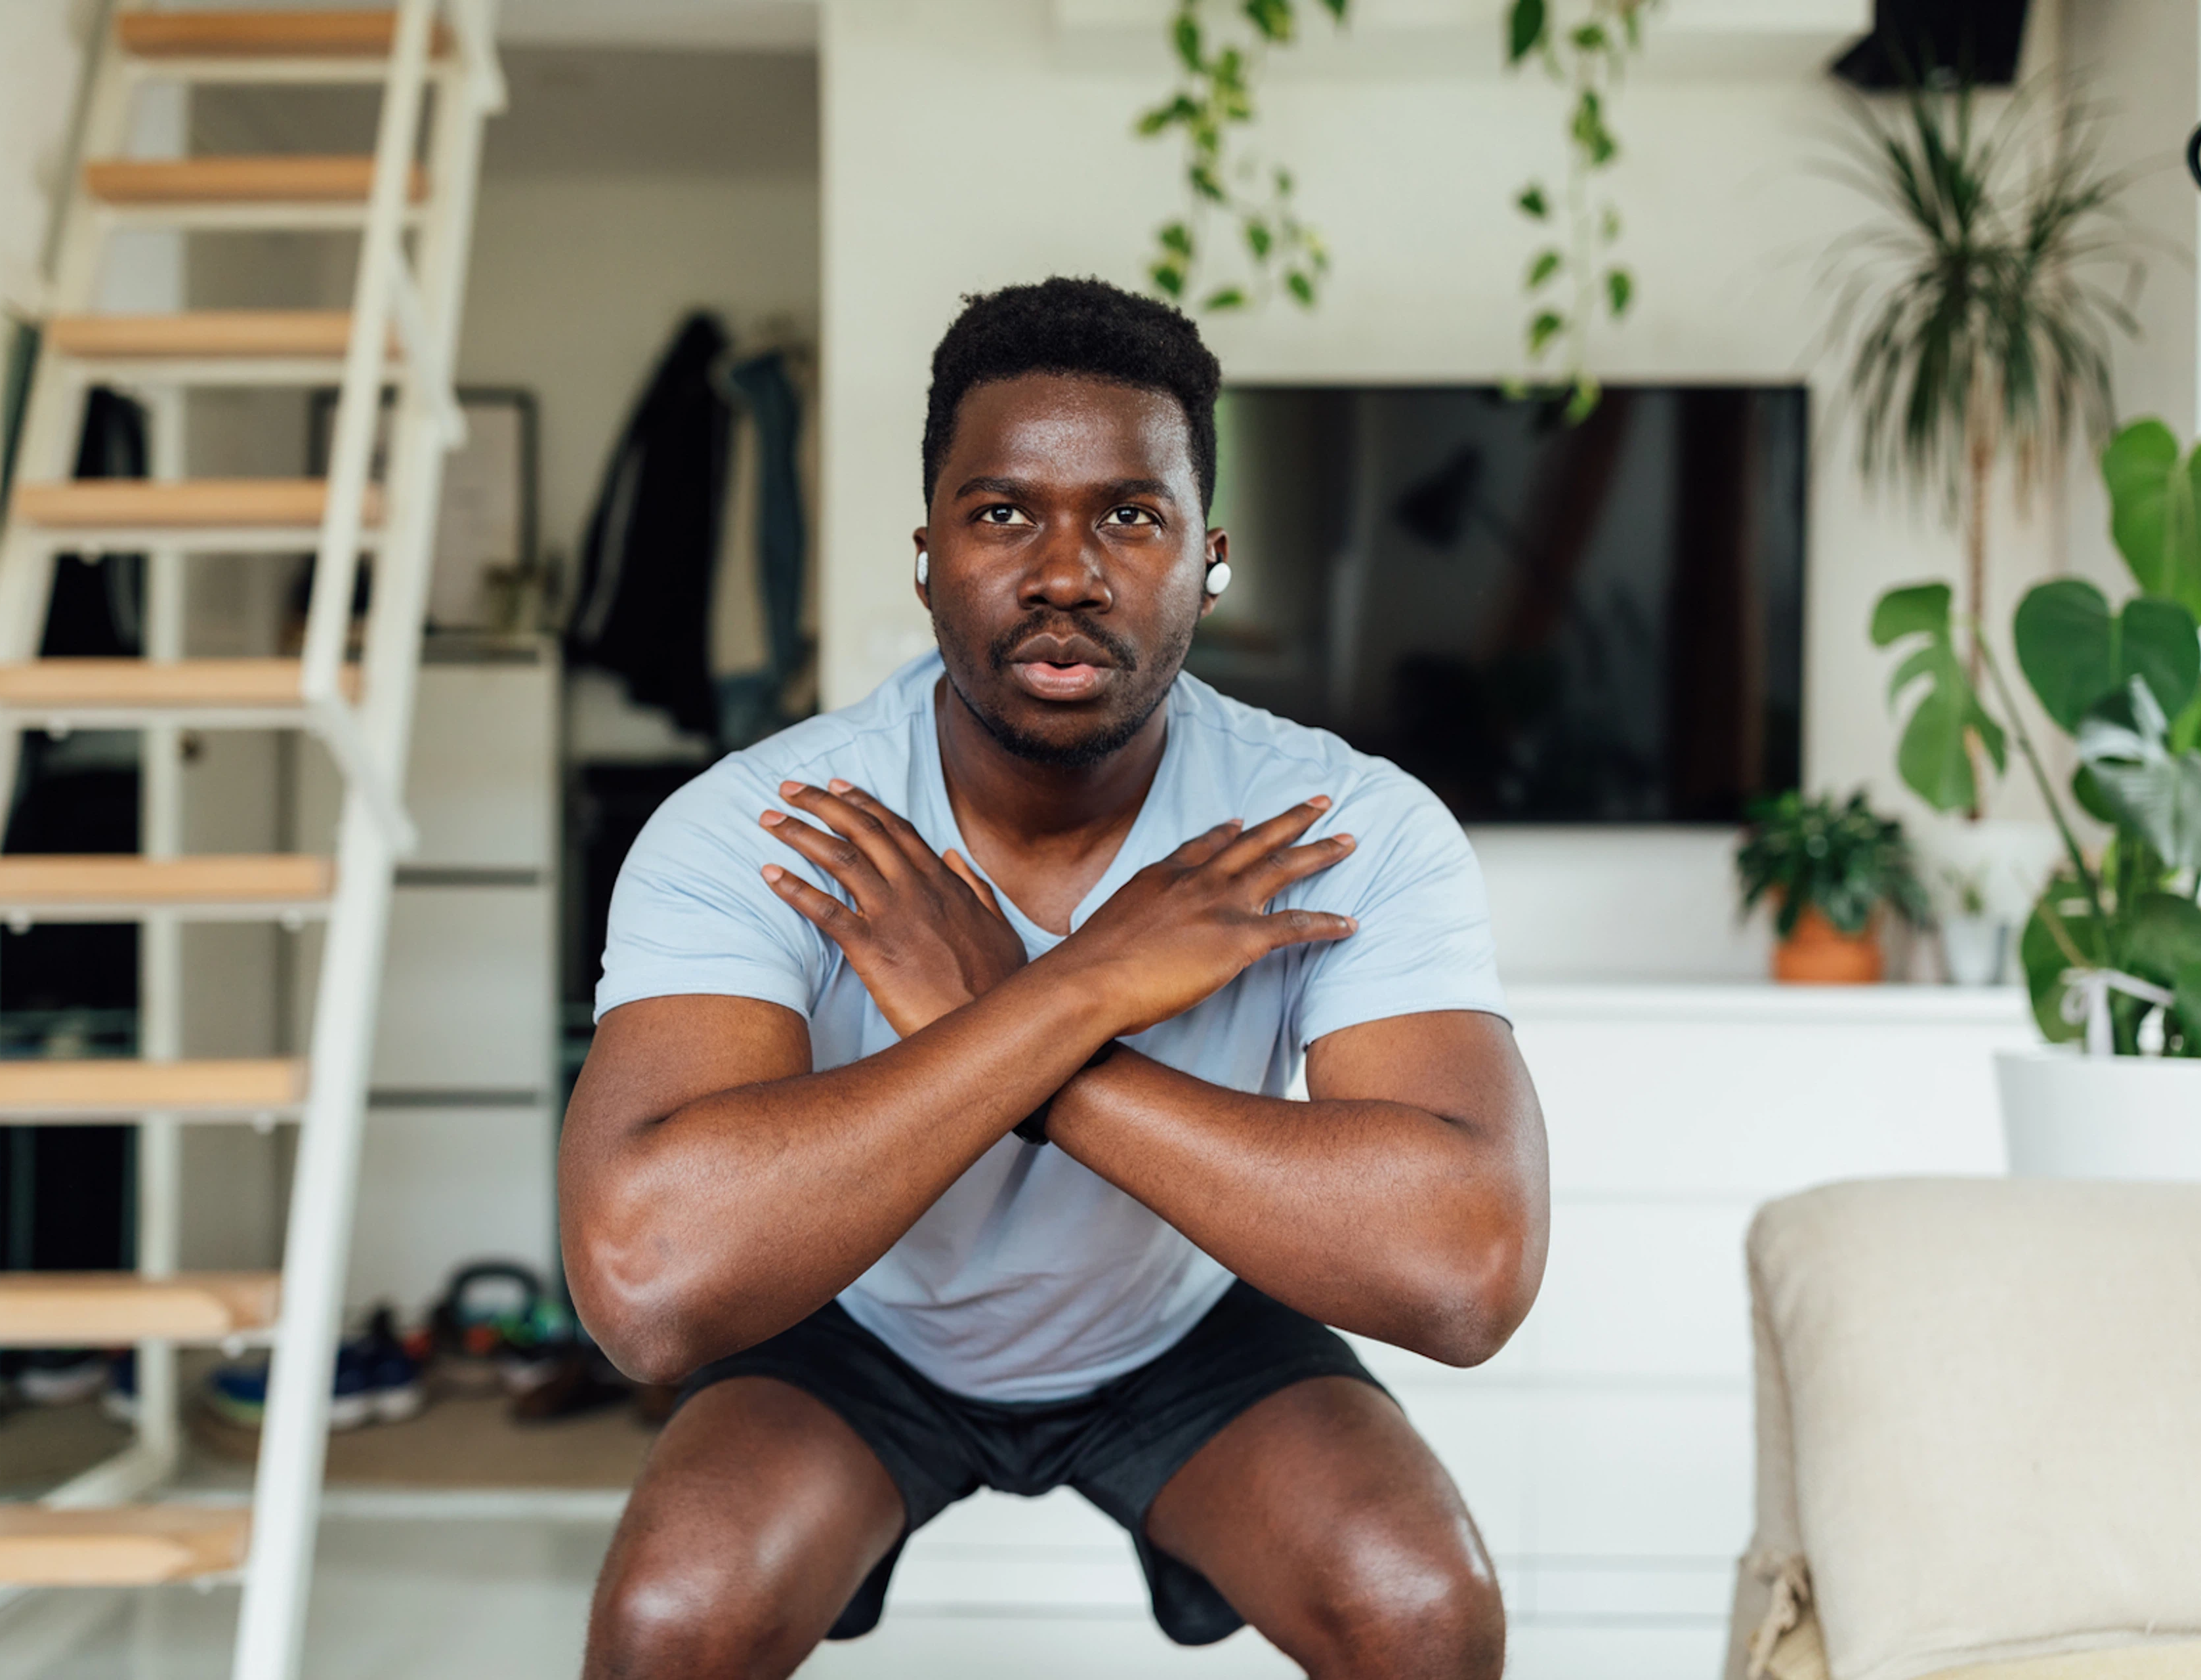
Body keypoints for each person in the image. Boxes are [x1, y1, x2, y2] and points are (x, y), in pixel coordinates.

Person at [560, 276, 1549, 1680]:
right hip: (862, 1318)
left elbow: (1467, 1272)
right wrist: (1086, 985)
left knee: (1421, 1609)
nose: (1066, 573)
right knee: (674, 1615)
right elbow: (645, 1287)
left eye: (1129, 516)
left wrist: (1021, 1019)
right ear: (927, 555)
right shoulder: (774, 823)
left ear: (1208, 555)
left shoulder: (1334, 825)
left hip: (1181, 1318)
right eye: (1003, 511)